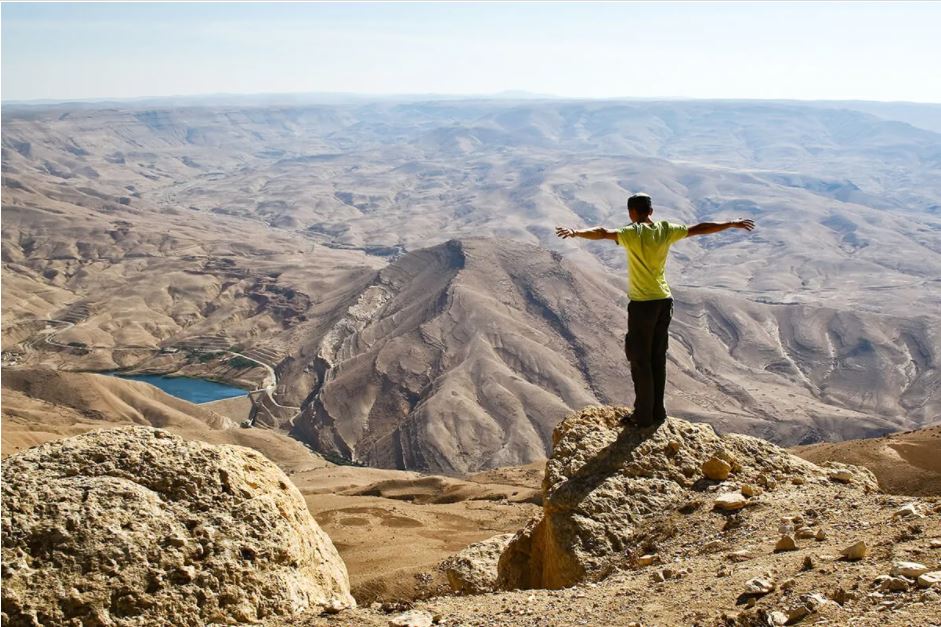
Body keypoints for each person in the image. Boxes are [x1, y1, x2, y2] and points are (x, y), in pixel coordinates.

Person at [555, 193, 755, 428]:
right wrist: (730, 224)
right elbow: (699, 228)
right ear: (651, 211)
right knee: (657, 359)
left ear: (631, 213)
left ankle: (643, 416)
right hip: (664, 302)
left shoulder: (632, 233)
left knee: (640, 360)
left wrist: (576, 232)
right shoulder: (665, 229)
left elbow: (601, 232)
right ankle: (658, 412)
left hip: (643, 304)